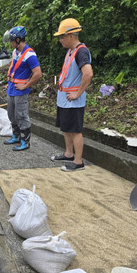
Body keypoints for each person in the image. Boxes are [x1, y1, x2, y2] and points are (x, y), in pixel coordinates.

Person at [51, 18, 93, 172]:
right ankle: (69, 154)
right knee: (66, 128)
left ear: (71, 35)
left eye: (62, 36)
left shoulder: (81, 51)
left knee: (75, 130)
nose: (60, 40)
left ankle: (78, 161)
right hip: (64, 99)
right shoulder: (71, 51)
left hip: (73, 100)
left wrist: (78, 93)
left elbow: (88, 74)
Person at [2, 26, 42, 151]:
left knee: (21, 115)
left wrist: (25, 85)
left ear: (18, 40)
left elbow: (38, 73)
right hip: (12, 88)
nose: (10, 43)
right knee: (11, 114)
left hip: (21, 90)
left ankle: (25, 141)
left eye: (12, 41)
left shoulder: (29, 54)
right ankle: (16, 136)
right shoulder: (15, 52)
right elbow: (14, 68)